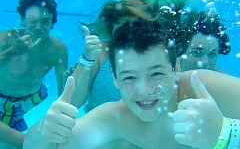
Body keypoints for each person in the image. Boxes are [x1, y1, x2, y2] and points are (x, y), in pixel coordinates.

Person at [23, 19, 240, 149]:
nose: (144, 91)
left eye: (156, 73)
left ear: (176, 70)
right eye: (129, 78)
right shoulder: (116, 118)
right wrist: (44, 130)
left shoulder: (205, 88)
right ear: (115, 79)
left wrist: (227, 134)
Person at [68, 0, 162, 111]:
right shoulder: (100, 52)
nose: (130, 33)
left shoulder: (159, 54)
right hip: (100, 126)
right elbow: (71, 102)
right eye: (124, 26)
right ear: (111, 28)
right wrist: (87, 58)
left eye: (138, 26)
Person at [0, 0, 68, 148]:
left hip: (29, 99)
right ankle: (27, 143)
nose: (39, 27)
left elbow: (63, 92)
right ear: (23, 20)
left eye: (45, 21)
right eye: (32, 21)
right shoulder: (6, 39)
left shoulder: (58, 49)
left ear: (52, 23)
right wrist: (13, 53)